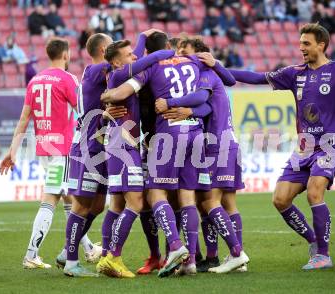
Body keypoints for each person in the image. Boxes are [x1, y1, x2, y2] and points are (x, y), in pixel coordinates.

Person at [101, 31, 241, 277]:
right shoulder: (196, 63)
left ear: (147, 53)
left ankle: (173, 249)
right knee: (189, 200)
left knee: (154, 196)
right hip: (195, 135)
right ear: (169, 46)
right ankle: (192, 261)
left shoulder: (149, 69)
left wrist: (106, 98)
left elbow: (121, 92)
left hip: (163, 138)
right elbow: (221, 86)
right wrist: (214, 64)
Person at [228, 23, 335, 270]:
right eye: (300, 42)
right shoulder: (296, 73)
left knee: (315, 192)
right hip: (303, 148)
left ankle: (323, 255)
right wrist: (220, 69)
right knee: (280, 200)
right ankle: (314, 241)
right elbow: (258, 77)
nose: (300, 47)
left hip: (328, 146)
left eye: (306, 43)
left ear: (321, 45)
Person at [0, 38, 79, 269]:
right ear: (66, 54)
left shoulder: (35, 81)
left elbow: (24, 119)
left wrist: (12, 151)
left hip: (44, 147)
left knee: (68, 197)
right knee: (51, 199)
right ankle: (31, 254)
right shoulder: (68, 79)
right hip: (62, 149)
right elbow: (82, 111)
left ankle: (87, 248)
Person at [171, 37, 249, 273]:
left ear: (201, 56)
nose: (180, 55)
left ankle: (234, 254)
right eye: (178, 51)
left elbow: (203, 101)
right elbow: (206, 108)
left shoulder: (205, 73)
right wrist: (190, 110)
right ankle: (220, 257)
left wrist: (171, 103)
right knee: (225, 203)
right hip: (223, 144)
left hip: (219, 146)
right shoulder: (202, 77)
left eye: (185, 51)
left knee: (207, 202)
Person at [56, 33, 114, 277]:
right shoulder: (96, 70)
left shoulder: (96, 73)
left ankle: (64, 253)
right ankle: (70, 262)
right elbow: (127, 65)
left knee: (98, 205)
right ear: (103, 49)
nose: (116, 50)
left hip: (97, 146)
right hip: (87, 148)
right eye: (112, 46)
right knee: (80, 206)